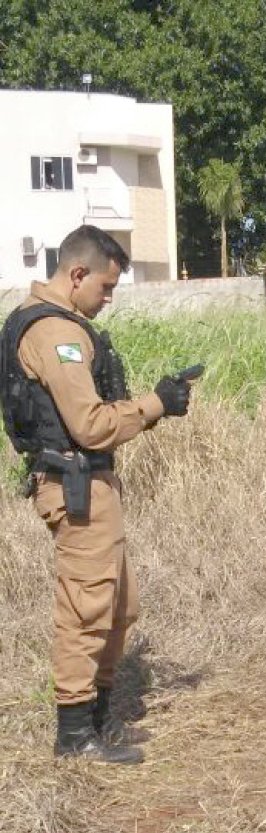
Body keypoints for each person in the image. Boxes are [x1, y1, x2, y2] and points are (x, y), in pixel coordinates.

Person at [0, 225, 196, 763]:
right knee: (86, 609)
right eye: (105, 288)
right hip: (76, 485)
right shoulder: (53, 334)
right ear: (77, 273)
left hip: (90, 483)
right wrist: (154, 405)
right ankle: (75, 736)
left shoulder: (60, 327)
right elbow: (87, 425)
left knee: (118, 604)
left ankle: (100, 721)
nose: (107, 299)